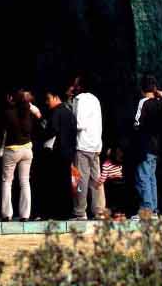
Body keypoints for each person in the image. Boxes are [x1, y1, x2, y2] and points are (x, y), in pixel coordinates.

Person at [132, 76, 162, 214]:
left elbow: (137, 124)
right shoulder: (160, 103)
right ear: (154, 88)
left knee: (143, 177)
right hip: (157, 146)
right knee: (151, 178)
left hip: (145, 145)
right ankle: (154, 210)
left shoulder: (143, 102)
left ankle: (147, 209)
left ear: (142, 89)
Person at [68, 75, 105, 220]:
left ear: (80, 86)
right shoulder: (95, 99)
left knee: (80, 179)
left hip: (83, 144)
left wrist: (69, 124)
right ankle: (99, 211)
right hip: (95, 145)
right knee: (95, 179)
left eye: (75, 84)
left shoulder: (80, 99)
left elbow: (79, 123)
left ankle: (79, 212)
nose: (73, 86)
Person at [40, 87, 79, 221]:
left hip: (56, 152)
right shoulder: (69, 113)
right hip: (68, 152)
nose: (47, 102)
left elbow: (52, 130)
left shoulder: (56, 113)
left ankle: (54, 212)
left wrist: (42, 126)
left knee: (54, 183)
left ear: (56, 97)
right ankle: (66, 212)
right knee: (65, 182)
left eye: (48, 99)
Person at [0, 88, 39, 221]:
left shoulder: (8, 113)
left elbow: (3, 132)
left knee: (7, 181)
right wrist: (30, 106)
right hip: (27, 149)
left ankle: (7, 214)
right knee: (25, 181)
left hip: (12, 150)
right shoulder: (28, 112)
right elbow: (39, 114)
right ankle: (25, 215)